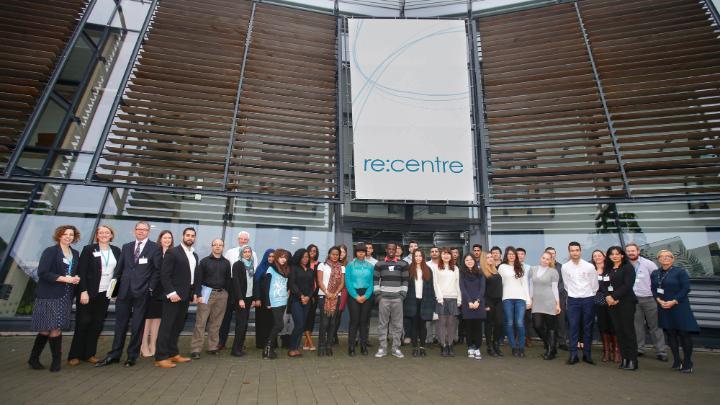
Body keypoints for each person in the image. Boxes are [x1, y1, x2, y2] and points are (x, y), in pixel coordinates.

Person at [97, 221, 162, 368]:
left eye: (144, 230)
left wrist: (150, 288)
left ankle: (131, 356)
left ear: (148, 232)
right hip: (123, 291)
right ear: (134, 231)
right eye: (138, 229)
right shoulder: (126, 247)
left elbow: (157, 270)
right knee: (120, 324)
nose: (141, 232)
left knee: (137, 325)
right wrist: (114, 289)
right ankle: (114, 354)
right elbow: (119, 269)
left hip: (142, 292)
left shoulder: (155, 248)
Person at [28, 225, 81, 372]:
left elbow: (75, 271)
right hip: (49, 295)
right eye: (65, 234)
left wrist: (76, 278)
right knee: (46, 329)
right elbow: (43, 272)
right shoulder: (50, 251)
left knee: (56, 327)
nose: (68, 237)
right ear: (59, 236)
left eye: (71, 234)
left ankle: (55, 361)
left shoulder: (75, 253)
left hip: (65, 295)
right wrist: (64, 278)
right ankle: (34, 358)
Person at [68, 225, 121, 366]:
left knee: (97, 324)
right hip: (89, 292)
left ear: (111, 235)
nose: (104, 235)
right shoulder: (89, 249)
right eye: (101, 232)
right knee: (83, 322)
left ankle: (89, 354)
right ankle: (74, 355)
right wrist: (83, 291)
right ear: (97, 235)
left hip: (105, 294)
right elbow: (82, 271)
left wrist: (114, 292)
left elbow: (118, 273)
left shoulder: (116, 250)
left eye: (107, 232)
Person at [153, 227, 198, 369]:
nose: (190, 237)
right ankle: (160, 357)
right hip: (173, 296)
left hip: (185, 296)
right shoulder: (173, 252)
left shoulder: (194, 255)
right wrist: (171, 293)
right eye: (188, 235)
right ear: (183, 237)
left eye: (192, 236)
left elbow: (191, 277)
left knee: (177, 326)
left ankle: (173, 353)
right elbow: (164, 275)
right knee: (167, 326)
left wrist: (193, 292)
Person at [651, 250, 699, 373]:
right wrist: (659, 301)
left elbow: (685, 289)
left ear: (673, 259)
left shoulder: (680, 272)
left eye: (668, 256)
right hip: (664, 307)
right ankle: (677, 361)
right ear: (658, 259)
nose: (665, 258)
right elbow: (653, 289)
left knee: (684, 334)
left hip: (679, 306)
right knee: (671, 334)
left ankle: (688, 362)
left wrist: (674, 301)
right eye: (662, 256)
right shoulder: (655, 273)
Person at [190, 239, 231, 359]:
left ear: (223, 247)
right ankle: (195, 349)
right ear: (212, 246)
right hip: (206, 293)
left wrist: (227, 293)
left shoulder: (226, 263)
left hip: (222, 294)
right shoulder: (204, 261)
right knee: (201, 322)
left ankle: (212, 347)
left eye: (220, 245)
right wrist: (198, 294)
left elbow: (228, 279)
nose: (218, 247)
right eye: (215, 245)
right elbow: (198, 279)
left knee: (216, 322)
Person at [626, 243, 667, 361]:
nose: (631, 253)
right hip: (633, 300)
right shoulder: (625, 265)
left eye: (633, 250)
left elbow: (658, 281)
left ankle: (661, 351)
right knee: (637, 326)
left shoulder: (648, 264)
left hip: (649, 299)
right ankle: (640, 348)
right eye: (628, 251)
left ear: (638, 251)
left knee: (655, 326)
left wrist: (658, 296)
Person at [219, 231, 257, 350]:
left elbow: (253, 273)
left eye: (246, 239)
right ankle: (221, 342)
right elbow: (225, 269)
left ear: (248, 241)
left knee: (242, 320)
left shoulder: (253, 254)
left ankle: (240, 343)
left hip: (246, 290)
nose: (243, 241)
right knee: (226, 317)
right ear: (238, 239)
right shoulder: (230, 252)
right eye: (241, 239)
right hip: (232, 287)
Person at [561, 242, 598, 365]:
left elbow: (594, 285)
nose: (575, 252)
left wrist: (588, 294)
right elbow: (566, 284)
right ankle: (573, 355)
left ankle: (587, 355)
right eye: (572, 250)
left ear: (580, 251)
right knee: (573, 327)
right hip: (573, 300)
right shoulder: (565, 267)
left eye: (577, 250)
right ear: (569, 252)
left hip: (588, 299)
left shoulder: (589, 266)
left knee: (588, 327)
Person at [605, 246, 639, 371]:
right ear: (608, 256)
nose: (614, 256)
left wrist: (614, 296)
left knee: (628, 331)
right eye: (612, 254)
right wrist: (608, 297)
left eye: (617, 254)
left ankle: (633, 360)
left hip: (626, 302)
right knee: (619, 331)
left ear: (622, 255)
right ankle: (625, 358)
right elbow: (603, 285)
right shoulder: (608, 269)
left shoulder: (628, 268)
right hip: (612, 304)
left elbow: (627, 285)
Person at [141, 230, 173, 357]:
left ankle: (153, 344)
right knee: (147, 319)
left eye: (169, 238)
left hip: (164, 291)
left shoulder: (172, 253)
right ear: (160, 239)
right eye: (164, 238)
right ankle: (143, 345)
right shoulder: (155, 251)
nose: (167, 240)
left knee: (158, 319)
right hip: (152, 289)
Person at [374, 242, 409, 358]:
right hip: (384, 299)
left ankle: (396, 348)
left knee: (398, 325)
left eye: (393, 249)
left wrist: (402, 295)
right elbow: (375, 280)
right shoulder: (379, 264)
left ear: (396, 250)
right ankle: (382, 348)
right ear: (386, 250)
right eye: (389, 248)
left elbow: (405, 280)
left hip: (397, 299)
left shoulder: (403, 264)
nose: (391, 250)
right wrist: (378, 296)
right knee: (382, 324)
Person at [498, 246, 530, 357]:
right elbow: (499, 284)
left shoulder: (520, 267)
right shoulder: (502, 267)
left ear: (515, 255)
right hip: (507, 298)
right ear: (506, 255)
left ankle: (521, 347)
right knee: (510, 323)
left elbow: (525, 284)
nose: (511, 256)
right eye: (509, 254)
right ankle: (514, 347)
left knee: (520, 323)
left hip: (521, 298)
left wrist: (528, 300)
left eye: (513, 254)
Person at [404, 249, 435, 357]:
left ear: (423, 257)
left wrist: (432, 304)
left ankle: (422, 347)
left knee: (423, 326)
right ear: (413, 257)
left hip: (425, 301)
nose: (418, 258)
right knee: (414, 326)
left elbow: (431, 288)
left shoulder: (428, 270)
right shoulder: (408, 269)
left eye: (420, 256)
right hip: (412, 301)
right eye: (416, 256)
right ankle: (414, 347)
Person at [529, 252, 560, 360]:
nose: (545, 260)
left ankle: (551, 352)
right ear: (540, 258)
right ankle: (550, 345)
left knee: (551, 327)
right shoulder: (533, 269)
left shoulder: (553, 272)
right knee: (537, 325)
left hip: (549, 301)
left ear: (550, 261)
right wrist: (530, 299)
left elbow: (555, 289)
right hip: (537, 302)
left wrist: (558, 304)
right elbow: (531, 285)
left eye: (547, 259)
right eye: (543, 258)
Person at [261, 248, 290, 359]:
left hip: (283, 300)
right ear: (277, 257)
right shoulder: (271, 269)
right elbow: (266, 286)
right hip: (274, 300)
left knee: (277, 325)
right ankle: (267, 349)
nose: (283, 259)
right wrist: (267, 301)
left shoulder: (285, 269)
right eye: (281, 257)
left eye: (285, 257)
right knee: (279, 325)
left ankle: (269, 349)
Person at [345, 243, 374, 356]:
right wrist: (356, 296)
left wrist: (366, 296)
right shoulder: (350, 266)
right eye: (359, 251)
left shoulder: (370, 266)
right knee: (354, 321)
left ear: (365, 252)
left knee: (364, 322)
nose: (361, 253)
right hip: (353, 295)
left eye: (363, 251)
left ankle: (363, 346)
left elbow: (372, 283)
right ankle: (351, 346)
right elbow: (348, 282)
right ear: (356, 253)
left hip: (367, 294)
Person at [317, 246, 345, 356]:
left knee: (333, 323)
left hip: (336, 297)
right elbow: (319, 281)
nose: (335, 256)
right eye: (333, 254)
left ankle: (329, 346)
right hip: (323, 296)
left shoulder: (342, 267)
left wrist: (335, 293)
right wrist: (327, 292)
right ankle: (321, 347)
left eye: (337, 254)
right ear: (329, 254)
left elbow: (342, 283)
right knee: (324, 323)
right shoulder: (322, 265)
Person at [592, 249, 619, 363]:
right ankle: (606, 351)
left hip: (611, 301)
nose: (597, 257)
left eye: (599, 255)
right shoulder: (591, 270)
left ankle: (616, 351)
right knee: (603, 326)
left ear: (604, 257)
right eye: (595, 256)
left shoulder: (610, 269)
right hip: (598, 301)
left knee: (613, 326)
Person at [433, 247, 461, 357]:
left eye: (448, 254)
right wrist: (439, 298)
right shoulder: (437, 268)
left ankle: (450, 344)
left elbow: (458, 284)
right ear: (441, 256)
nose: (446, 256)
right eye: (444, 254)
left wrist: (459, 299)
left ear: (451, 256)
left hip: (453, 298)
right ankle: (443, 345)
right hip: (441, 299)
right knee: (441, 324)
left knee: (451, 324)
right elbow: (436, 284)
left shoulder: (455, 268)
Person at [288, 248, 314, 357]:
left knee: (302, 325)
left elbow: (312, 286)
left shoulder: (310, 270)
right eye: (303, 257)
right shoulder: (293, 269)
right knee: (299, 324)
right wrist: (301, 296)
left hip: (307, 301)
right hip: (296, 300)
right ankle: (291, 348)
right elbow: (292, 284)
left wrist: (308, 297)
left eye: (307, 257)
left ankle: (296, 348)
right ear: (299, 257)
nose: (305, 259)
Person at [459, 254, 485, 360]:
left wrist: (477, 301)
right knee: (469, 327)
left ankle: (477, 347)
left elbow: (482, 288)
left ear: (474, 261)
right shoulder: (462, 273)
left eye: (471, 259)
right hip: (467, 303)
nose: (469, 261)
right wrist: (469, 301)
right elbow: (462, 288)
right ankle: (470, 347)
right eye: (467, 260)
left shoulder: (480, 273)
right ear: (464, 262)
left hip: (479, 303)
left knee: (478, 328)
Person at [230, 245, 255, 357]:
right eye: (245, 252)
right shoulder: (237, 264)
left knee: (244, 324)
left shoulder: (251, 265)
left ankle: (240, 347)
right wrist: (240, 299)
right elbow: (236, 283)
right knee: (241, 324)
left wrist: (253, 298)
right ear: (241, 253)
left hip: (249, 298)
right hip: (241, 298)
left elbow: (252, 283)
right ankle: (235, 349)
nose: (247, 253)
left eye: (249, 251)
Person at [546, 246, 568, 351]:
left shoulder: (561, 267)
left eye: (553, 253)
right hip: (546, 298)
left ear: (555, 254)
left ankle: (562, 342)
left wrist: (556, 294)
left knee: (561, 320)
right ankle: (550, 342)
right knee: (548, 321)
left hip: (560, 297)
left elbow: (563, 282)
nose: (551, 254)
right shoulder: (543, 267)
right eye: (549, 253)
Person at [481, 251, 503, 357]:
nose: (490, 259)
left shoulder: (496, 270)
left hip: (499, 301)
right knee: (489, 324)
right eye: (488, 257)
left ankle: (496, 344)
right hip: (488, 301)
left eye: (491, 257)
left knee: (499, 323)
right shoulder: (482, 272)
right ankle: (489, 347)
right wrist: (485, 304)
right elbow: (481, 290)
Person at [253, 249, 275, 349]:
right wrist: (257, 298)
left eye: (273, 256)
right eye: (269, 256)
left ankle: (271, 343)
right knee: (262, 322)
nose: (271, 258)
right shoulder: (260, 268)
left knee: (272, 322)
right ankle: (261, 343)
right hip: (261, 299)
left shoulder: (277, 268)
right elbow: (256, 284)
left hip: (273, 300)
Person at [303, 244, 320, 351]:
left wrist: (313, 295)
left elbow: (319, 281)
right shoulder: (304, 264)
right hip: (304, 295)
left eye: (315, 251)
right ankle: (309, 341)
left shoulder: (319, 264)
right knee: (305, 317)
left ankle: (306, 342)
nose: (313, 252)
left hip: (315, 295)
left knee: (311, 318)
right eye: (311, 251)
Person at [517, 247, 533, 348]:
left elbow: (531, 283)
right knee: (517, 319)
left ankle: (528, 338)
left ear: (525, 256)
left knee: (527, 320)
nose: (520, 256)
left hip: (526, 297)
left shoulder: (529, 268)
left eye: (522, 254)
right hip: (516, 297)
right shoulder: (511, 267)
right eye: (518, 254)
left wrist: (530, 298)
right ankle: (518, 338)